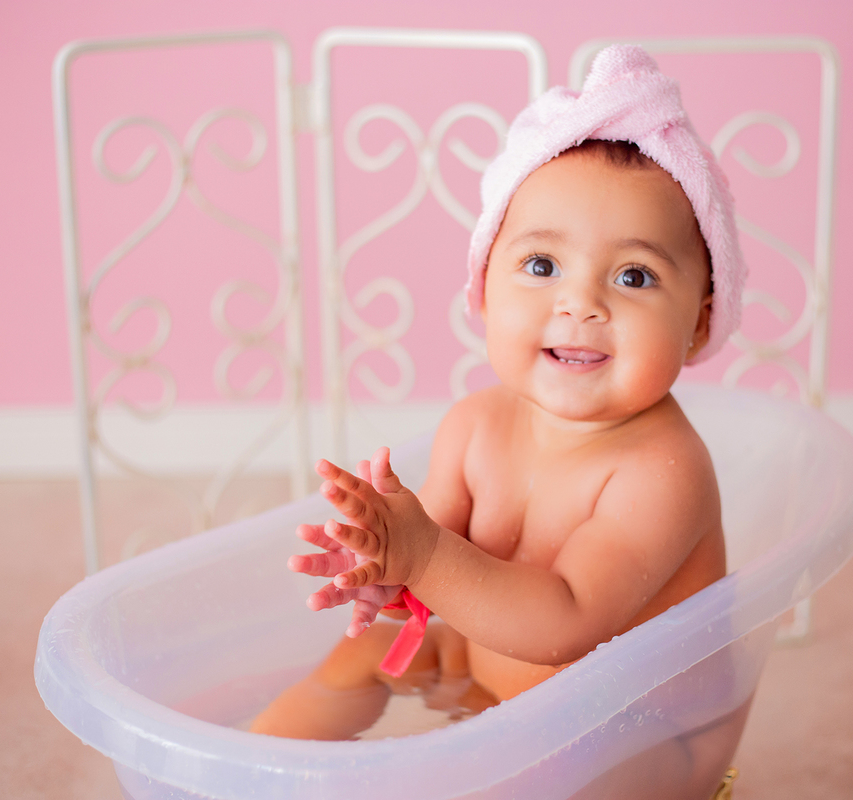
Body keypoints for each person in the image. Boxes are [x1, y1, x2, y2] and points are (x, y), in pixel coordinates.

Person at [251, 45, 747, 783]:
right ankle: (249, 773)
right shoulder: (474, 427)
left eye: (634, 275)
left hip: (636, 735)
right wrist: (388, 564)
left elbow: (566, 618)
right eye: (542, 266)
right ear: (484, 287)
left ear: (699, 325)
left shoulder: (662, 470)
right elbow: (440, 580)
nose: (580, 304)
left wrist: (425, 556)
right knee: (364, 654)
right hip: (499, 694)